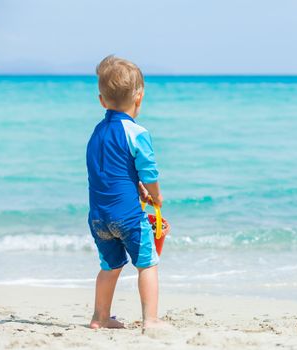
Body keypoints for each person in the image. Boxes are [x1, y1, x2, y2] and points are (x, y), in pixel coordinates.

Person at [86, 55, 167, 331]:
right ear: (139, 98)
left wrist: (137, 189)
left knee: (110, 266)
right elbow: (149, 172)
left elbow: (110, 174)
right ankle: (151, 320)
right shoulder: (137, 132)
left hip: (99, 218)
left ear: (101, 100)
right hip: (129, 218)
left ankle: (100, 317)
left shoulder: (97, 133)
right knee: (147, 264)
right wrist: (154, 195)